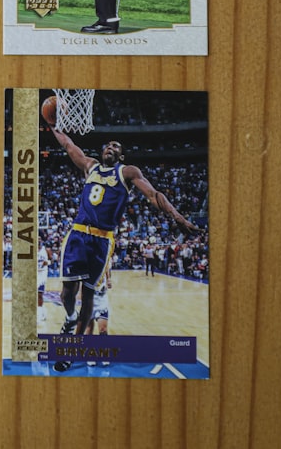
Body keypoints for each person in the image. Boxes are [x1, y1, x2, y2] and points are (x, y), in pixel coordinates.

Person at [48, 127, 197, 372]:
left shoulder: (128, 172)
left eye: (116, 147)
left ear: (121, 156)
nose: (111, 147)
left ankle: (71, 349)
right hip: (77, 234)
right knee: (67, 293)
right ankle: (69, 317)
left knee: (88, 296)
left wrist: (177, 216)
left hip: (102, 240)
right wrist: (54, 125)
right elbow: (68, 145)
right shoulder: (90, 166)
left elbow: (153, 194)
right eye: (108, 145)